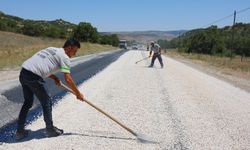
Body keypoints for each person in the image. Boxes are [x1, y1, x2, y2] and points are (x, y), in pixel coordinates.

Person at [15, 38, 84, 140]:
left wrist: (55, 78)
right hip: (34, 77)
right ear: (69, 48)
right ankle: (50, 129)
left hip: (24, 72)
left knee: (28, 102)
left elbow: (42, 65)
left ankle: (20, 131)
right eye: (75, 51)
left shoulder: (52, 49)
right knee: (46, 101)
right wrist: (78, 93)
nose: (74, 54)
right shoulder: (64, 57)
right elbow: (68, 79)